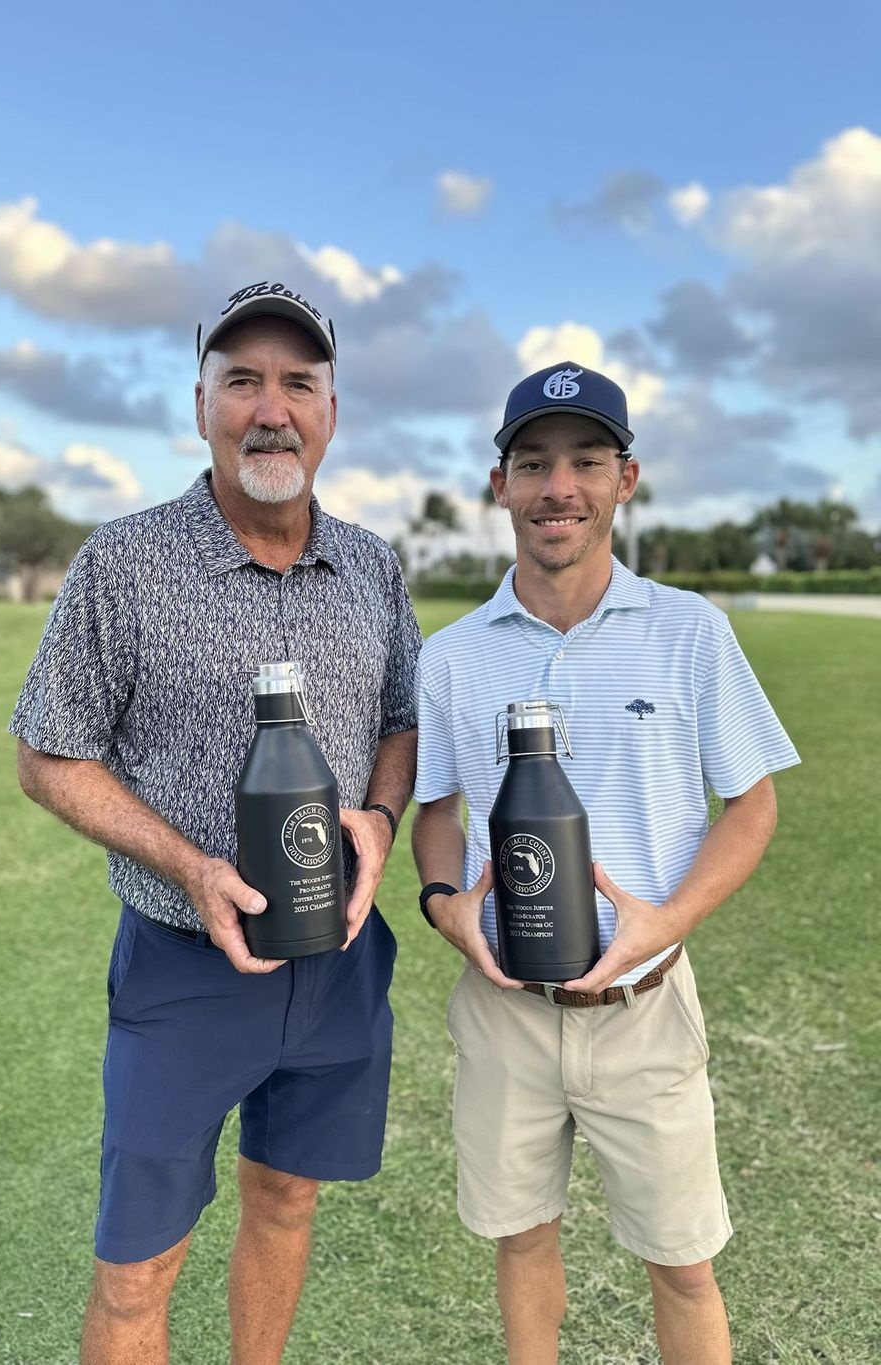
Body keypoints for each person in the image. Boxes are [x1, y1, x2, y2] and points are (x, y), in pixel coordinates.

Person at [10, 282, 421, 1365]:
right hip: (184, 969)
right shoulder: (125, 563)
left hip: (337, 966)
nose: (270, 409)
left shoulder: (373, 566)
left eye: (298, 384)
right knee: (136, 1271)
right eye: (241, 381)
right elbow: (48, 753)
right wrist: (190, 864)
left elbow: (401, 721)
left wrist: (382, 818)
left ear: (331, 410)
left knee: (285, 1199)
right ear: (201, 407)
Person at [411, 361, 799, 1365]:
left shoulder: (689, 630)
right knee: (521, 1238)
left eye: (586, 461)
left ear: (625, 479)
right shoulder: (451, 655)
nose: (559, 488)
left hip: (645, 1005)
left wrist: (668, 921)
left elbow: (751, 805)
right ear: (499, 485)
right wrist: (444, 901)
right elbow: (437, 811)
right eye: (533, 464)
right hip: (506, 1007)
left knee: (683, 1264)